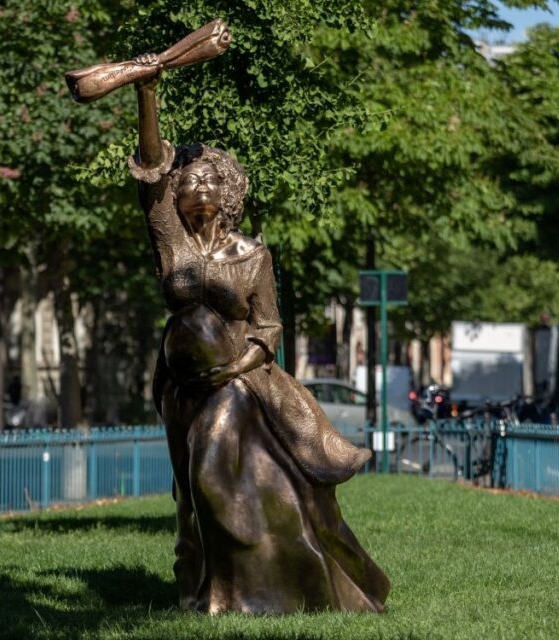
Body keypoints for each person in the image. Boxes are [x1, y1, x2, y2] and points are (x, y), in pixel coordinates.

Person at [129, 54, 390, 614]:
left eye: (208, 180)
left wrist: (233, 368)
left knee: (209, 475)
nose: (195, 185)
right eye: (188, 181)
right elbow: (151, 168)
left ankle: (240, 594)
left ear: (227, 193)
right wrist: (147, 93)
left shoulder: (254, 256)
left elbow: (269, 327)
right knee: (186, 496)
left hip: (237, 384)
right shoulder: (170, 243)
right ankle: (199, 589)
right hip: (177, 385)